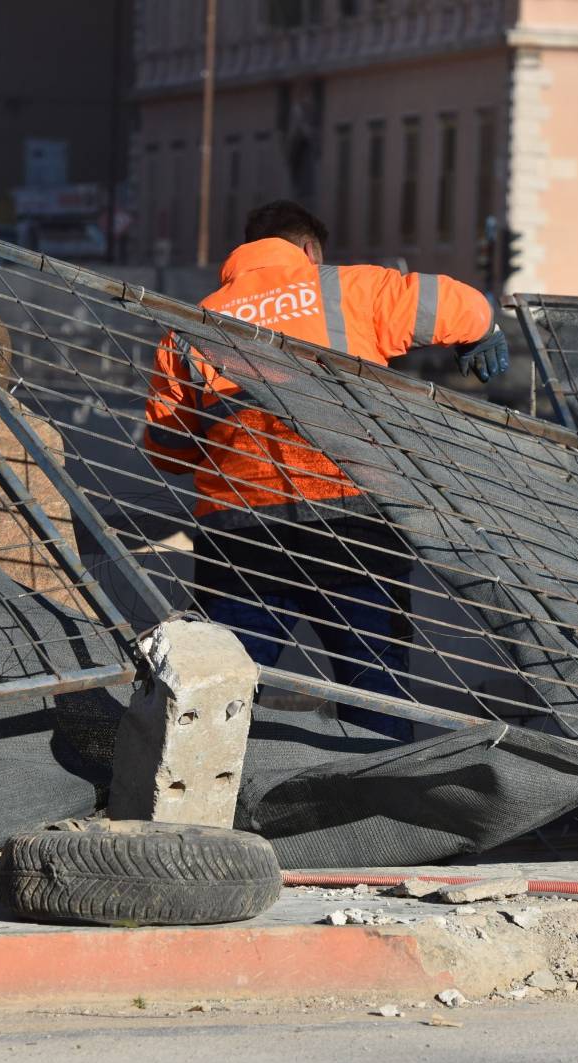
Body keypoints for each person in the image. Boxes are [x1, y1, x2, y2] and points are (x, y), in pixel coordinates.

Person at [144, 200, 508, 740]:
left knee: (224, 699)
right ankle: (380, 811)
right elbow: (462, 304)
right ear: (310, 249)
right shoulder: (351, 289)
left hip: (242, 536)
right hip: (355, 526)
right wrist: (482, 333)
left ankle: (210, 809)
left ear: (243, 253)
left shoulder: (190, 326)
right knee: (374, 688)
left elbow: (168, 451)